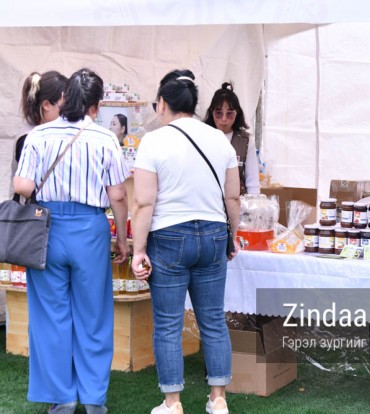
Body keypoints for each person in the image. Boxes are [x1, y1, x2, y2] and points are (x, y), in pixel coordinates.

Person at [13, 68, 131, 414]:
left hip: (46, 229)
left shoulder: (38, 135)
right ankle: (94, 399)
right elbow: (118, 195)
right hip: (91, 229)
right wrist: (123, 239)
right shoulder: (106, 139)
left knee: (50, 316)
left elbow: (22, 185)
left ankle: (62, 397)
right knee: (94, 316)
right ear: (97, 105)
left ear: (64, 98)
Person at [131, 69, 240, 414]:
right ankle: (218, 399)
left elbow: (143, 202)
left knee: (168, 324)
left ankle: (173, 403)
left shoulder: (153, 141)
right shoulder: (219, 139)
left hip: (168, 236)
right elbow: (233, 197)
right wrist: (233, 237)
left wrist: (138, 250)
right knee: (213, 320)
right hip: (213, 233)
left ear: (163, 103)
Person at [10, 71, 68, 201]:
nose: (68, 112)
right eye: (64, 106)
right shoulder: (28, 137)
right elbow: (25, 187)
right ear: (46, 105)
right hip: (31, 210)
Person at [204, 82, 259, 195]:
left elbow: (252, 181)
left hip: (237, 201)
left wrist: (254, 202)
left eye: (229, 114)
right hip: (208, 200)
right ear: (211, 112)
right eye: (219, 113)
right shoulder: (201, 137)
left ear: (237, 113)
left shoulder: (246, 141)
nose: (224, 119)